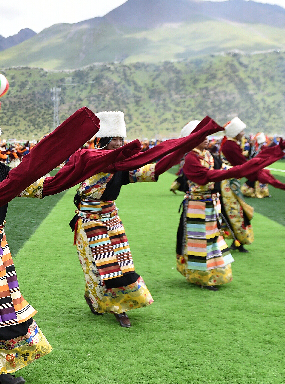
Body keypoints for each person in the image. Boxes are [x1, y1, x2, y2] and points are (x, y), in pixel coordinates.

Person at [0, 99, 149, 383]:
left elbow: (38, 186)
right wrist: (15, 182)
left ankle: (2, 367)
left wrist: (76, 169)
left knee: (2, 309)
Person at [71, 113, 224, 327]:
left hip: (111, 216)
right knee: (103, 265)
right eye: (114, 138)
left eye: (121, 139)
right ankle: (99, 299)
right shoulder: (87, 159)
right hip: (90, 219)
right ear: (102, 139)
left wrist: (181, 148)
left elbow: (153, 169)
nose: (118, 143)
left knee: (123, 262)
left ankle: (120, 307)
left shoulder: (121, 165)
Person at [177, 121, 285, 290]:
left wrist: (262, 159)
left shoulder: (206, 155)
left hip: (210, 202)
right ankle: (203, 277)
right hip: (198, 204)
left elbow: (227, 167)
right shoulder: (191, 158)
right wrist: (239, 169)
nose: (207, 139)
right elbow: (208, 175)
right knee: (201, 242)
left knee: (212, 240)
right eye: (202, 136)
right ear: (192, 139)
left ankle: (211, 274)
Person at [221, 117, 285, 198]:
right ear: (235, 132)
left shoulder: (230, 144)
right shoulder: (231, 145)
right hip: (227, 178)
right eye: (241, 131)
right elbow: (243, 166)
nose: (243, 133)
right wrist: (256, 170)